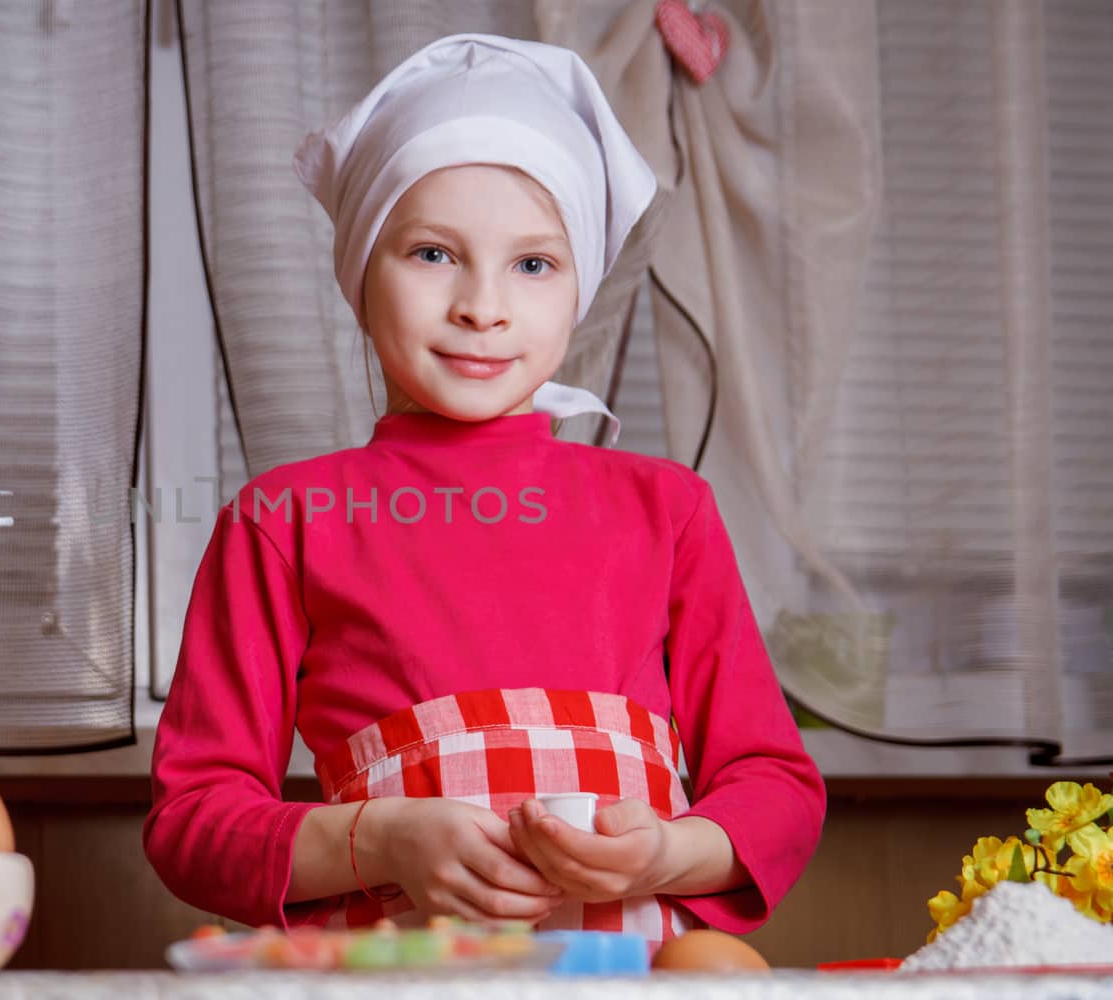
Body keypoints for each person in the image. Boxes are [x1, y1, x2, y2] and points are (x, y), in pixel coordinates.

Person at [143, 33, 824, 948]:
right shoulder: (284, 520)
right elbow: (194, 821)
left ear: (578, 286)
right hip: (402, 968)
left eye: (533, 264)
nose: (483, 306)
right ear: (358, 273)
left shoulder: (667, 510)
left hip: (634, 963)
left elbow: (775, 788)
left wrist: (665, 853)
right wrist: (379, 839)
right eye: (432, 254)